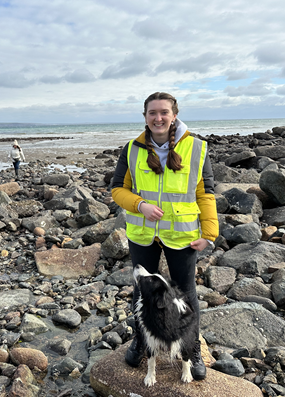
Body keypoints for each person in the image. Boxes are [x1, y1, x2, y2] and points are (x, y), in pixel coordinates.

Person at [111, 91, 218, 380]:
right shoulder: (132, 149)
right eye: (152, 113)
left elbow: (205, 194)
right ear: (145, 116)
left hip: (182, 234)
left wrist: (209, 233)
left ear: (174, 115)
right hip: (142, 233)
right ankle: (142, 341)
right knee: (141, 292)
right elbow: (117, 189)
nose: (158, 118)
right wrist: (140, 205)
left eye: (164, 112)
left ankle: (191, 349)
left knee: (186, 294)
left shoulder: (196, 148)